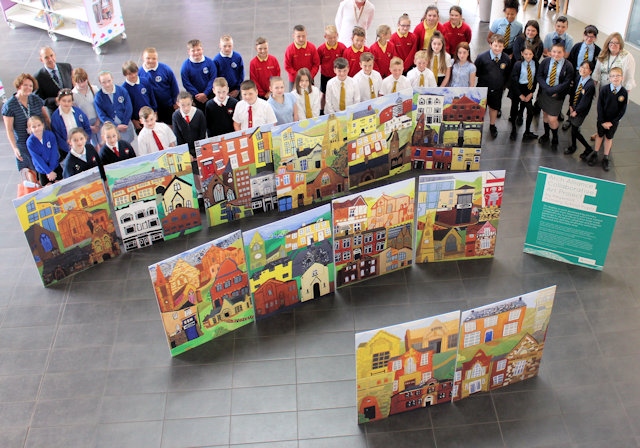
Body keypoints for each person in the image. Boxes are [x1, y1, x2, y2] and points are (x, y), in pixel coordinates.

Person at [2, 73, 50, 173]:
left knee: (44, 167)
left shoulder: (36, 99)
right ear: (19, 86)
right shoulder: (10, 106)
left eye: (31, 86)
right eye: (25, 85)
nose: (28, 88)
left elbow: (45, 117)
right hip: (23, 142)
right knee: (30, 170)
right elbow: (9, 130)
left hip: (40, 138)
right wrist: (15, 148)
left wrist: (50, 134)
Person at [586, 67, 628, 171]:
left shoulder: (623, 92)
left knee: (609, 138)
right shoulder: (604, 89)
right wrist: (602, 120)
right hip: (602, 120)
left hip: (613, 122)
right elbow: (599, 106)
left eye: (618, 76)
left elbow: (622, 110)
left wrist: (612, 122)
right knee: (600, 135)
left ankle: (605, 157)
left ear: (622, 77)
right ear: (609, 78)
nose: (615, 78)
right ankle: (595, 153)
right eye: (613, 76)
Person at [562, 25, 600, 131]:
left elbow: (597, 66)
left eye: (592, 37)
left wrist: (594, 80)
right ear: (584, 35)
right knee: (572, 96)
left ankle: (577, 121)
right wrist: (570, 77)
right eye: (587, 36)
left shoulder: (597, 50)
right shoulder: (577, 46)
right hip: (576, 75)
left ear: (595, 38)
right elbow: (570, 61)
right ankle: (569, 119)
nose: (589, 39)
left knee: (582, 98)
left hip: (587, 77)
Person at [536, 42, 574, 147]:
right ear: (550, 52)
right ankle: (546, 134)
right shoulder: (545, 62)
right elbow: (539, 76)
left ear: (564, 53)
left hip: (557, 96)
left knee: (552, 119)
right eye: (554, 51)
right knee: (545, 115)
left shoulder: (568, 66)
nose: (556, 54)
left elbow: (566, 82)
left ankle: (555, 136)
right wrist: (547, 89)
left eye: (559, 52)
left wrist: (553, 91)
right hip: (545, 93)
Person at [476, 34, 512, 138]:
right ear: (490, 44)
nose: (497, 48)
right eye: (495, 45)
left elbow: (507, 74)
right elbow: (477, 72)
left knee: (494, 108)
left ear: (504, 47)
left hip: (497, 90)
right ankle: (478, 125)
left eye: (500, 46)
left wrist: (503, 85)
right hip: (482, 89)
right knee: (480, 108)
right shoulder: (482, 57)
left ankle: (492, 125)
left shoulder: (506, 59)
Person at [139, 48, 180, 124]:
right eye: (148, 58)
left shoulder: (165, 69)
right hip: (151, 109)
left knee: (171, 125)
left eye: (154, 58)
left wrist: (175, 101)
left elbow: (174, 86)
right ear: (143, 58)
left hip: (167, 105)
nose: (151, 61)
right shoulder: (139, 73)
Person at [172, 91, 206, 184]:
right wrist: (186, 153)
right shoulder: (176, 116)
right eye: (183, 105)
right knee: (191, 174)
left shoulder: (199, 114)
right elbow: (178, 136)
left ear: (192, 102)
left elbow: (202, 134)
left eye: (188, 104)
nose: (186, 108)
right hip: (186, 150)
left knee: (201, 171)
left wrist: (198, 152)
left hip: (198, 148)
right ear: (178, 104)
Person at [94, 71, 135, 144]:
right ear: (100, 83)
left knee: (128, 145)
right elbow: (102, 115)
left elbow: (128, 108)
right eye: (104, 82)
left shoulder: (122, 90)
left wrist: (124, 123)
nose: (107, 84)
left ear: (112, 79)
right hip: (112, 128)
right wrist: (116, 126)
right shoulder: (98, 97)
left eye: (109, 81)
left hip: (126, 125)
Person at [564, 61, 596, 156]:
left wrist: (576, 111)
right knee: (573, 129)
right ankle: (574, 145)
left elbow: (584, 102)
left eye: (586, 68)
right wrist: (570, 106)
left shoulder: (590, 85)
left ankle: (587, 148)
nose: (583, 69)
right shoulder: (578, 77)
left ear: (590, 71)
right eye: (582, 66)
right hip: (573, 107)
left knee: (575, 130)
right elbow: (573, 92)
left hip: (580, 112)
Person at [508, 45, 538, 141]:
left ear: (533, 54)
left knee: (530, 110)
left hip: (528, 89)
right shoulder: (518, 64)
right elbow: (514, 81)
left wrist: (531, 92)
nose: (528, 56)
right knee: (514, 108)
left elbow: (535, 80)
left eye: (530, 54)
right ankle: (513, 128)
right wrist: (520, 95)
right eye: (525, 54)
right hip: (517, 88)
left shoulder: (536, 64)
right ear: (522, 53)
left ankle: (527, 131)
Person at [50, 89, 91, 156]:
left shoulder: (78, 112)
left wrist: (84, 143)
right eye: (64, 101)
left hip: (83, 146)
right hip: (69, 150)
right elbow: (58, 137)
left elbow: (87, 127)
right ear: (59, 101)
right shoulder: (55, 117)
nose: (66, 103)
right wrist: (70, 149)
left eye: (69, 101)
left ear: (72, 102)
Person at [34, 46, 73, 115]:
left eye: (51, 55)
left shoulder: (67, 67)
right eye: (46, 57)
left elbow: (73, 85)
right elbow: (39, 100)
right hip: (55, 111)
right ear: (41, 60)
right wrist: (55, 100)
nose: (50, 59)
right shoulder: (38, 77)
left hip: (72, 106)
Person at [180, 39, 217, 112]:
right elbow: (186, 83)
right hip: (195, 98)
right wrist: (197, 95)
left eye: (198, 50)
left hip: (209, 95)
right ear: (189, 52)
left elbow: (213, 79)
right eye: (193, 51)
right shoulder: (185, 66)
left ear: (202, 49)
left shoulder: (209, 62)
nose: (196, 53)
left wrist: (205, 93)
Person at [317, 25, 346, 114]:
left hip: (338, 76)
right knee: (324, 93)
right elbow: (319, 62)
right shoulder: (321, 49)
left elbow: (344, 61)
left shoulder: (342, 47)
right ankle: (321, 110)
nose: (332, 40)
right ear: (325, 37)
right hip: (325, 75)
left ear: (337, 35)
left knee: (337, 93)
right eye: (329, 38)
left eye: (334, 37)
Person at [122, 60, 157, 134]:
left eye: (134, 72)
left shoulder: (144, 81)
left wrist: (155, 111)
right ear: (125, 74)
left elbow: (151, 96)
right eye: (129, 74)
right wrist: (133, 120)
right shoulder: (124, 89)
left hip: (150, 115)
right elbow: (126, 107)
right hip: (138, 120)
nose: (133, 75)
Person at [26, 115, 62, 186]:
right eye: (34, 127)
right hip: (42, 169)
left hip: (54, 165)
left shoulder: (50, 135)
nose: (37, 128)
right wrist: (48, 172)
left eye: (39, 125)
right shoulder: (30, 142)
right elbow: (37, 158)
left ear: (43, 125)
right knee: (47, 187)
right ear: (30, 128)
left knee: (59, 184)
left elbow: (54, 152)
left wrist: (51, 169)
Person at [71, 68, 101, 146]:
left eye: (83, 81)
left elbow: (100, 107)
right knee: (93, 146)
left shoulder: (94, 89)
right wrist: (89, 126)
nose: (82, 85)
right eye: (79, 82)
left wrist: (97, 123)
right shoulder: (73, 95)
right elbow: (77, 114)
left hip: (98, 120)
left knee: (102, 142)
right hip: (85, 124)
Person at [284, 25, 320, 90]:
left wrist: (309, 76)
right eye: (298, 36)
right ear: (293, 36)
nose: (301, 39)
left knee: (310, 97)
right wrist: (299, 77)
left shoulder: (312, 48)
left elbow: (316, 64)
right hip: (294, 80)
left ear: (306, 35)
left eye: (303, 36)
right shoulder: (289, 50)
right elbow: (288, 66)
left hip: (309, 79)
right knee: (293, 99)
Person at [213, 35, 245, 99]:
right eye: (224, 46)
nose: (227, 48)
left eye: (229, 46)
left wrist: (237, 89)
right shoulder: (216, 60)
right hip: (222, 92)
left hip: (235, 91)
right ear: (220, 46)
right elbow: (215, 77)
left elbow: (241, 73)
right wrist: (223, 91)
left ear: (232, 45)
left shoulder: (237, 57)